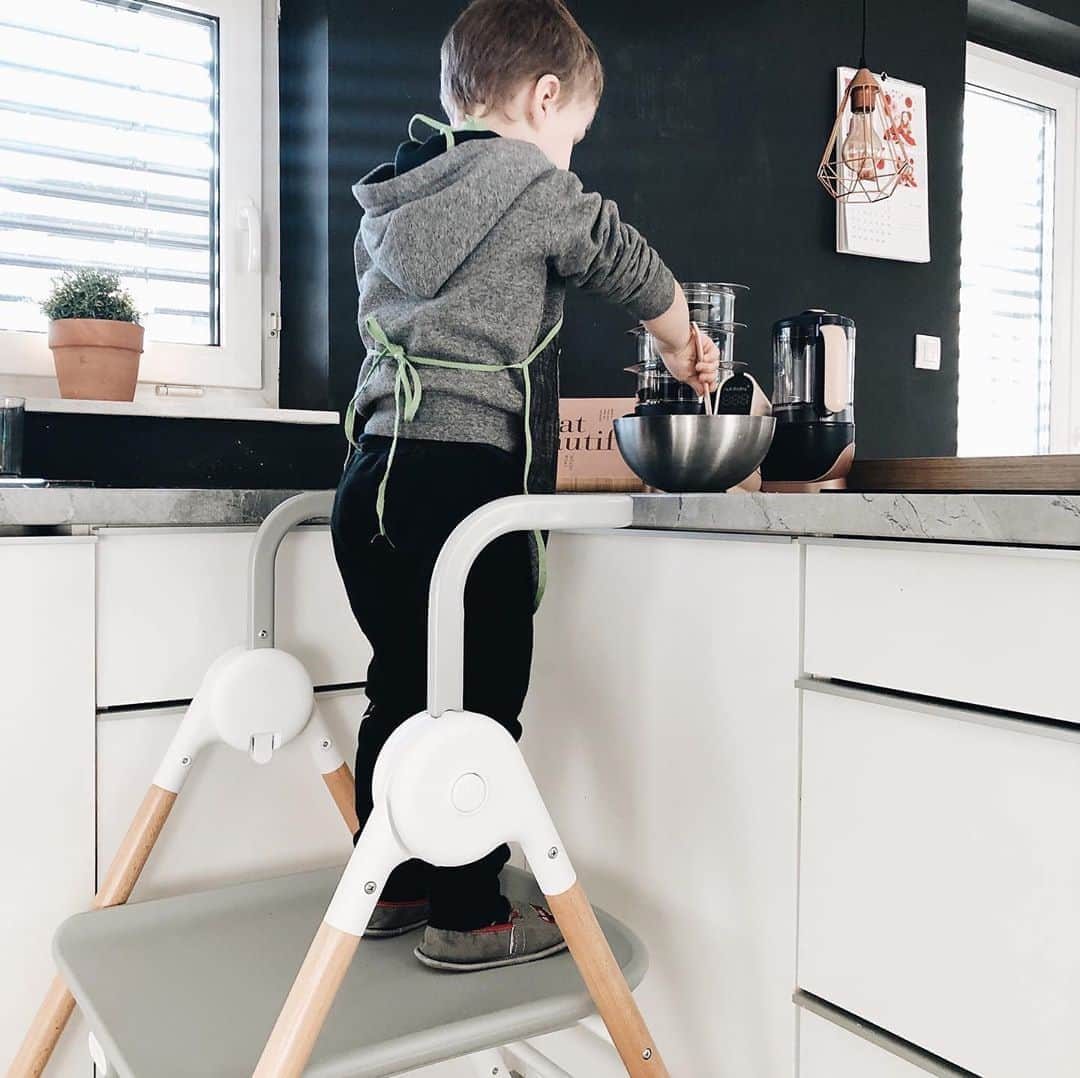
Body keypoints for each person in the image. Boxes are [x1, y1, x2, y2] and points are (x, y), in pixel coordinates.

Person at [331, 0, 719, 972]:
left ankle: (393, 882)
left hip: (368, 480)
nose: (572, 162)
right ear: (544, 99)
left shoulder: (392, 197)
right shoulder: (528, 181)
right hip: (466, 483)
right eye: (574, 137)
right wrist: (682, 338)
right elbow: (618, 255)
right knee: (480, 709)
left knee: (403, 690)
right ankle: (471, 913)